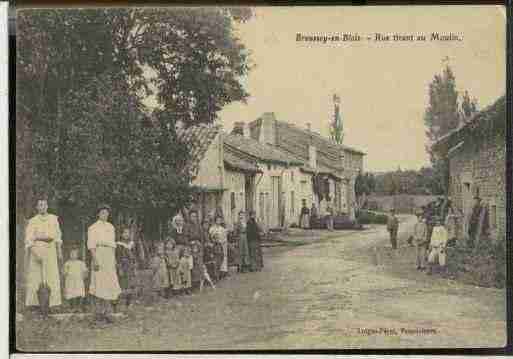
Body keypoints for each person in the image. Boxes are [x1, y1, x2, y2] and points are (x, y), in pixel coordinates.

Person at [24, 198, 63, 314]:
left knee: (51, 275)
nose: (42, 207)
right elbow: (29, 239)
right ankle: (35, 305)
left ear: (47, 206)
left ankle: (53, 304)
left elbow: (57, 237)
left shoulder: (53, 219)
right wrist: (35, 253)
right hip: (37, 248)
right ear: (37, 207)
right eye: (40, 205)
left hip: (50, 249)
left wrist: (59, 251)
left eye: (44, 205)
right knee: (36, 277)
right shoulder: (33, 221)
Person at [87, 204, 121, 323]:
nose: (105, 215)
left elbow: (112, 245)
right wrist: (95, 259)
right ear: (98, 214)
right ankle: (98, 313)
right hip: (99, 254)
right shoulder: (93, 227)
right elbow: (91, 245)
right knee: (98, 283)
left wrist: (114, 259)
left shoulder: (111, 227)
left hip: (109, 256)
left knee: (108, 282)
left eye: (106, 213)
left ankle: (107, 312)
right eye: (102, 213)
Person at [115, 227, 137, 308]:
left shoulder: (132, 244)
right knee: (122, 283)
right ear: (121, 234)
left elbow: (134, 255)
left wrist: (134, 266)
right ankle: (119, 302)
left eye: (128, 233)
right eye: (124, 233)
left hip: (130, 266)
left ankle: (129, 302)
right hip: (123, 265)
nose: (126, 234)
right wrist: (119, 267)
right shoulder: (118, 244)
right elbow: (117, 257)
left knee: (130, 284)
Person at [63, 247, 87, 312]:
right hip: (70, 281)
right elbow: (64, 273)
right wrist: (66, 270)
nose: (73, 255)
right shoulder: (67, 263)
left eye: (74, 253)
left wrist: (84, 276)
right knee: (71, 293)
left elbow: (85, 271)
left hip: (78, 280)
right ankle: (72, 307)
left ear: (77, 255)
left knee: (79, 292)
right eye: (71, 253)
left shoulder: (81, 263)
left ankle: (79, 307)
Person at [209, 215, 228, 279]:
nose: (218, 221)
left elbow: (225, 237)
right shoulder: (212, 228)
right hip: (214, 245)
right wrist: (214, 240)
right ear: (215, 221)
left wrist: (222, 241)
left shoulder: (222, 229)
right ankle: (216, 273)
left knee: (222, 258)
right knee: (216, 258)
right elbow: (211, 236)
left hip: (221, 244)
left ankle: (222, 273)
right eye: (217, 220)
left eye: (220, 220)